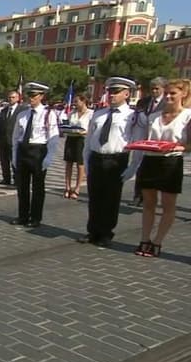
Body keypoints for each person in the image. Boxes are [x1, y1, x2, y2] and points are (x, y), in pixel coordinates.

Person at [76, 77, 142, 248]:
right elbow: (89, 140)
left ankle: (106, 233)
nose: (112, 95)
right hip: (97, 158)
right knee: (95, 197)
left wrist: (133, 167)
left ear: (127, 94)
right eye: (110, 91)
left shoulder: (133, 116)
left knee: (111, 198)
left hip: (116, 160)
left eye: (116, 92)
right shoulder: (98, 114)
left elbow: (138, 143)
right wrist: (87, 161)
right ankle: (93, 231)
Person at [134, 78, 191, 257]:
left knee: (168, 205)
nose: (168, 97)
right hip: (150, 161)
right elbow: (145, 138)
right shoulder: (153, 117)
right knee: (149, 204)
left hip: (171, 162)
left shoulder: (188, 116)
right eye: (166, 93)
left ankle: (157, 241)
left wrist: (177, 147)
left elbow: (189, 145)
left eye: (173, 93)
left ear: (183, 94)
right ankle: (144, 239)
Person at [10, 82, 60, 228]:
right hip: (23, 151)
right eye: (29, 95)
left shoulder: (48, 114)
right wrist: (14, 155)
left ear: (41, 96)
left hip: (38, 152)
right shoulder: (22, 115)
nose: (30, 98)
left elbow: (54, 137)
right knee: (22, 187)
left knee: (38, 187)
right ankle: (23, 216)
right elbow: (15, 137)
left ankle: (36, 217)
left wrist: (49, 157)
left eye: (34, 95)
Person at [131, 77, 168, 207]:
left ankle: (151, 197)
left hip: (157, 140)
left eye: (157, 88)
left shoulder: (167, 102)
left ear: (163, 89)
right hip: (142, 139)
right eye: (152, 88)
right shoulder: (143, 102)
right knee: (139, 168)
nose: (154, 91)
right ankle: (137, 195)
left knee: (155, 170)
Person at [63, 94, 93, 199]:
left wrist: (84, 132)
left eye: (77, 101)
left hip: (82, 139)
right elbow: (67, 125)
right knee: (69, 163)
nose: (75, 104)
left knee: (80, 164)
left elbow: (92, 129)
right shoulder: (72, 113)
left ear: (83, 101)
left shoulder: (91, 114)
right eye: (74, 102)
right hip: (71, 138)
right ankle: (67, 187)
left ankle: (77, 188)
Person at [0, 91, 23, 186]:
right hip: (3, 141)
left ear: (18, 98)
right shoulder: (4, 111)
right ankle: (6, 179)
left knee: (15, 161)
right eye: (10, 97)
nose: (11, 99)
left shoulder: (22, 110)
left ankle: (17, 179)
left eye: (13, 97)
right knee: (4, 161)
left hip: (15, 141)